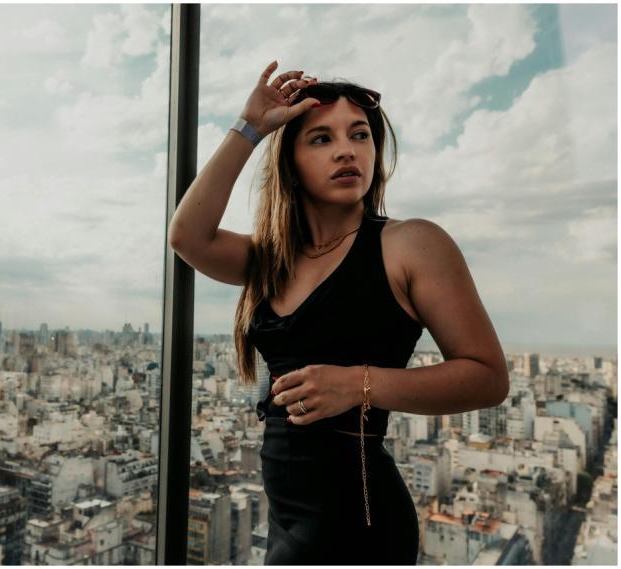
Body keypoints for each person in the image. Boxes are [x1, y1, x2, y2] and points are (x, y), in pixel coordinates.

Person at [168, 60, 508, 564]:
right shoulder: (272, 259)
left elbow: (488, 377)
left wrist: (357, 384)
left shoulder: (410, 244)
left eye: (360, 135)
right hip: (287, 515)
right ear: (291, 162)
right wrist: (251, 127)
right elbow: (186, 236)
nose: (347, 150)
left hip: (361, 520)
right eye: (321, 138)